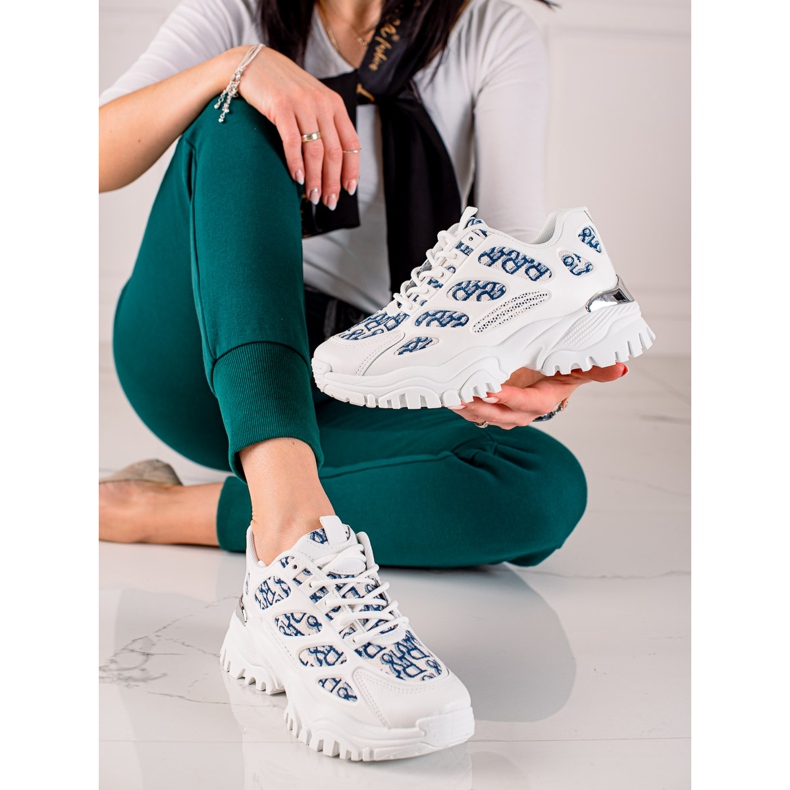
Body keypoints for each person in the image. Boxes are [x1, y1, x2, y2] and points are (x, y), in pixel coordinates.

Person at [99, 0, 629, 758]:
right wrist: (240, 67)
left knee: (541, 486)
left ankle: (164, 512)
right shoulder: (236, 11)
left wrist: (539, 358)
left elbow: (512, 268)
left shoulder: (489, 33)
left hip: (361, 370)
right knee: (237, 116)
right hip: (196, 356)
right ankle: (288, 539)